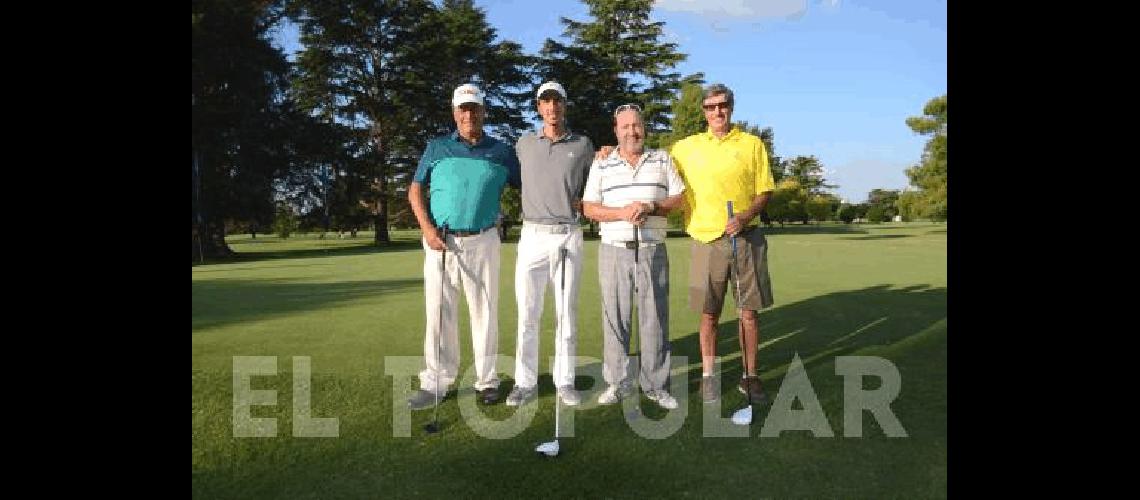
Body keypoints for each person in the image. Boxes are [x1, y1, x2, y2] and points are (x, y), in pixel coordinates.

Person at [406, 83, 521, 409]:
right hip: (440, 241)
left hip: (483, 240)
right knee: (439, 315)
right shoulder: (437, 147)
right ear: (455, 113)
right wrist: (427, 229)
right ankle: (436, 383)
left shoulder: (502, 152)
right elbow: (415, 191)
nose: (468, 114)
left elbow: (530, 184)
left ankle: (487, 381)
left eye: (474, 108)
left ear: (483, 112)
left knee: (485, 312)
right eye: (462, 109)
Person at [669, 83, 776, 404]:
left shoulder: (752, 144)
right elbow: (654, 167)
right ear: (703, 111)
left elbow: (765, 190)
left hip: (745, 238)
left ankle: (750, 375)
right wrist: (608, 152)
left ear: (731, 106)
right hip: (704, 239)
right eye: (710, 106)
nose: (717, 111)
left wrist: (744, 216)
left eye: (723, 105)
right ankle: (708, 377)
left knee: (748, 314)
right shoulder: (684, 147)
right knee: (708, 315)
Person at [581, 104, 686, 410]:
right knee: (615, 319)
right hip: (614, 249)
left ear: (644, 128)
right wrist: (621, 213)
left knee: (654, 320)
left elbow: (679, 198)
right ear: (615, 131)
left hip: (653, 249)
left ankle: (656, 386)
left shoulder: (662, 158)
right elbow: (589, 208)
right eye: (625, 127)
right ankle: (617, 383)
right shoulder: (602, 163)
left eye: (636, 126)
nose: (632, 132)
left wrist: (651, 207)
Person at [505, 81, 595, 407]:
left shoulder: (583, 145)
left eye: (557, 102)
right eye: (546, 102)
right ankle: (524, 383)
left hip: (568, 235)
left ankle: (565, 381)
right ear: (539, 107)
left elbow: (594, 184)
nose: (552, 108)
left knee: (566, 315)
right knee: (528, 314)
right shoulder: (524, 144)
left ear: (564, 106)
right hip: (532, 236)